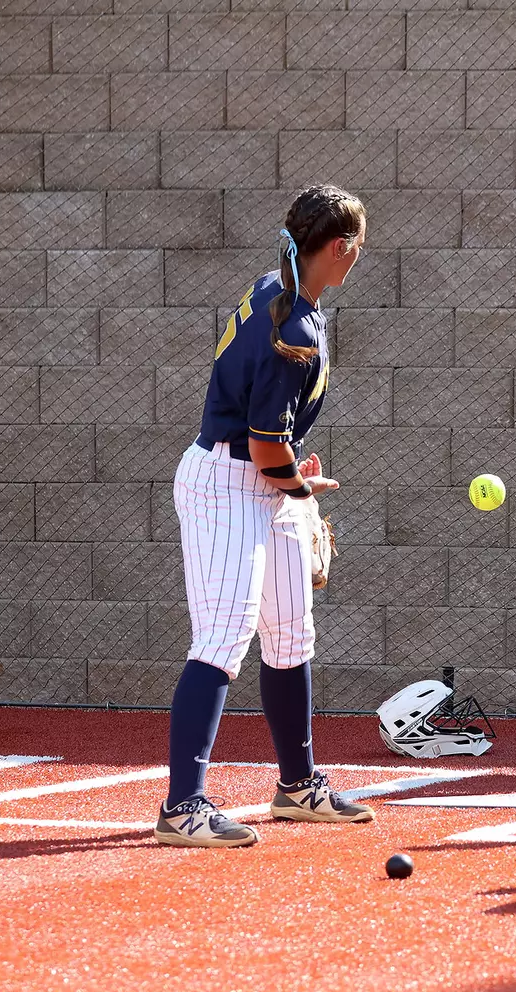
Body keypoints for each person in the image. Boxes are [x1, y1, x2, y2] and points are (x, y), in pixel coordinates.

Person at [155, 184, 373, 848]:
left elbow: (271, 441)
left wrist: (290, 481)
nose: (357, 256)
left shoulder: (278, 291)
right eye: (356, 247)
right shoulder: (294, 325)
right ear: (338, 249)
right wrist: (302, 495)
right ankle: (181, 806)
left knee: (290, 636)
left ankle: (298, 786)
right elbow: (260, 445)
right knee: (221, 642)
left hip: (255, 481)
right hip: (228, 484)